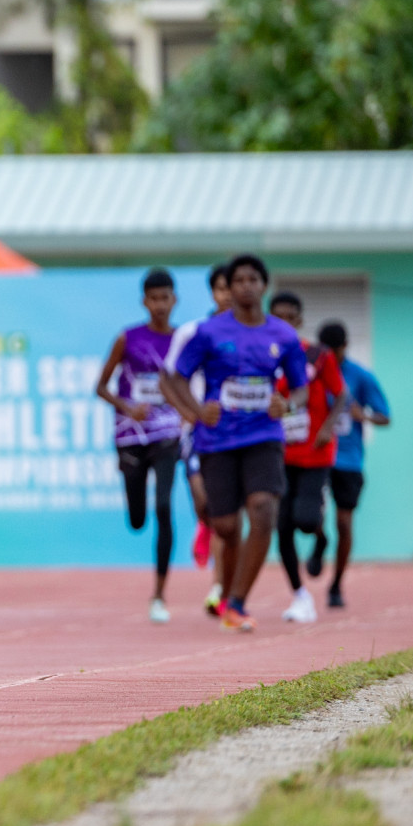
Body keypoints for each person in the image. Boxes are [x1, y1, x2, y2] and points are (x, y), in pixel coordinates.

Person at [166, 254, 307, 632]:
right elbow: (175, 377)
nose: (245, 286)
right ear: (229, 288)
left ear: (263, 285)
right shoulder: (209, 332)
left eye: (252, 279)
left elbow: (301, 389)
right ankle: (226, 589)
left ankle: (237, 602)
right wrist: (196, 411)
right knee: (226, 526)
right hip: (217, 441)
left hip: (264, 436)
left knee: (263, 510)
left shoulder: (283, 335)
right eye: (238, 280)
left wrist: (287, 403)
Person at [95, 268, 181, 623]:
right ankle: (133, 497)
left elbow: (187, 383)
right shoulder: (127, 339)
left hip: (167, 434)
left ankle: (159, 594)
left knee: (164, 506)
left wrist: (186, 410)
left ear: (174, 300)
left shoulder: (182, 341)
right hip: (131, 435)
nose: (160, 305)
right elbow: (101, 387)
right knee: (137, 518)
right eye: (153, 298)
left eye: (166, 298)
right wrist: (129, 407)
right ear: (144, 301)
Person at [266, 292, 348, 624]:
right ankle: (300, 595)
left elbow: (341, 395)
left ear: (299, 321)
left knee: (304, 519)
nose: (284, 323)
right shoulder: (261, 358)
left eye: (290, 317)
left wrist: (328, 426)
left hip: (315, 452)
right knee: (282, 527)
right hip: (279, 453)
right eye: (277, 317)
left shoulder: (317, 356)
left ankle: (321, 536)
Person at [160, 264, 232, 616]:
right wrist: (192, 413)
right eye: (222, 288)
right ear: (213, 292)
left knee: (229, 514)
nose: (229, 295)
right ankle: (203, 525)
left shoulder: (258, 335)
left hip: (242, 436)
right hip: (200, 433)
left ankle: (220, 589)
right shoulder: (194, 332)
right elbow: (168, 379)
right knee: (207, 504)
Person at [319, 320, 389, 609]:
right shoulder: (315, 373)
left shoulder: (361, 376)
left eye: (334, 351)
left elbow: (385, 416)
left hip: (349, 460)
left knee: (344, 523)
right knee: (310, 515)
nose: (330, 356)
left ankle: (336, 583)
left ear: (344, 347)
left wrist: (365, 416)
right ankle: (319, 542)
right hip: (319, 456)